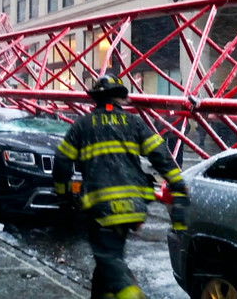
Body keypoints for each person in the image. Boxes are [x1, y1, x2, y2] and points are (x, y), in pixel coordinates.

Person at [53, 73, 189, 299]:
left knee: (108, 258)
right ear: (120, 98)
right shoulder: (134, 123)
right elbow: (160, 153)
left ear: (96, 98)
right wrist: (177, 182)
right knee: (108, 260)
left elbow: (61, 161)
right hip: (134, 206)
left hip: (101, 208)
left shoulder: (83, 126)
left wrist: (63, 195)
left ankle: (131, 294)